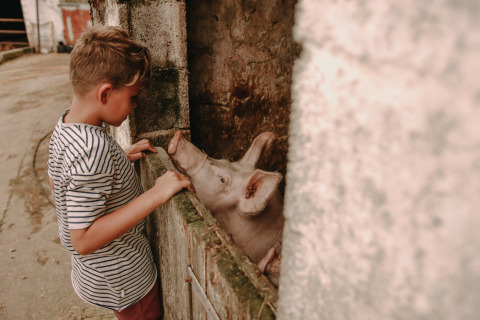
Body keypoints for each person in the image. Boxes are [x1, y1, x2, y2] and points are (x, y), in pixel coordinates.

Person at [47, 25, 192, 320]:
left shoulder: (64, 126)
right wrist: (156, 194)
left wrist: (117, 161)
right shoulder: (93, 149)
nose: (135, 106)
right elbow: (83, 239)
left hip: (97, 274)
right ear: (106, 93)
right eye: (133, 97)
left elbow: (60, 179)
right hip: (124, 281)